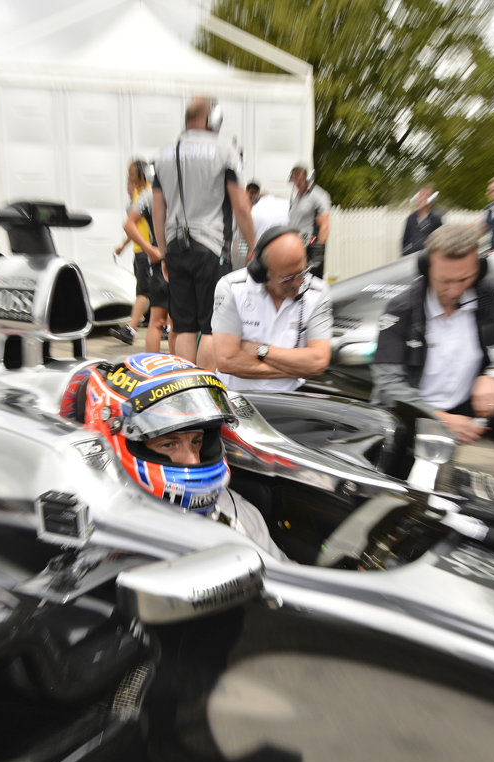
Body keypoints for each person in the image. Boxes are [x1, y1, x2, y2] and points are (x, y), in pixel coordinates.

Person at [371, 225, 494, 502]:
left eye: (464, 279)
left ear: (478, 269)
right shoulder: (401, 308)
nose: (455, 289)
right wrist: (441, 420)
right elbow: (387, 384)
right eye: (444, 280)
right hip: (412, 411)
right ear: (427, 268)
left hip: (467, 403)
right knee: (399, 499)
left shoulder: (489, 293)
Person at [67, 353, 284, 559]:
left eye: (196, 442)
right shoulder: (94, 530)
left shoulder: (236, 511)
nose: (193, 460)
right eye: (169, 444)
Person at [152, 96, 256, 370]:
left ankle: (186, 390)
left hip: (175, 247)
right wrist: (253, 247)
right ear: (213, 119)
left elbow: (158, 211)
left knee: (184, 326)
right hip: (211, 247)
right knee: (211, 327)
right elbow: (241, 208)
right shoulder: (225, 151)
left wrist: (163, 253)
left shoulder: (164, 154)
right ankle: (205, 391)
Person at [212, 227, 332, 392]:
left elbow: (318, 362)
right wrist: (295, 370)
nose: (298, 283)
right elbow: (227, 360)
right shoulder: (231, 288)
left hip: (290, 401)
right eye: (287, 279)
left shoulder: (318, 292)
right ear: (262, 273)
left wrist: (261, 350)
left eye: (302, 272)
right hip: (237, 398)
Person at [113, 160, 171, 353]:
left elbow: (128, 224)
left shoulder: (147, 194)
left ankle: (156, 368)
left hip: (157, 256)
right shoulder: (172, 193)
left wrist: (149, 249)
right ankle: (179, 370)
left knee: (158, 320)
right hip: (169, 258)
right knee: (175, 323)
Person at [287, 165, 331, 279]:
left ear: (307, 178)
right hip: (297, 247)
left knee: (312, 284)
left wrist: (318, 249)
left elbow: (325, 224)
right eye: (294, 180)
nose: (297, 183)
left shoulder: (319, 195)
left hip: (310, 247)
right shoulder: (297, 197)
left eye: (300, 179)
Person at [402, 186, 444, 256]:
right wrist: (405, 255)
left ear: (430, 201)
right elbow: (405, 242)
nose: (421, 199)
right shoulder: (410, 218)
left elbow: (441, 241)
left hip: (428, 259)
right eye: (420, 196)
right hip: (411, 258)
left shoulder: (435, 219)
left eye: (425, 197)